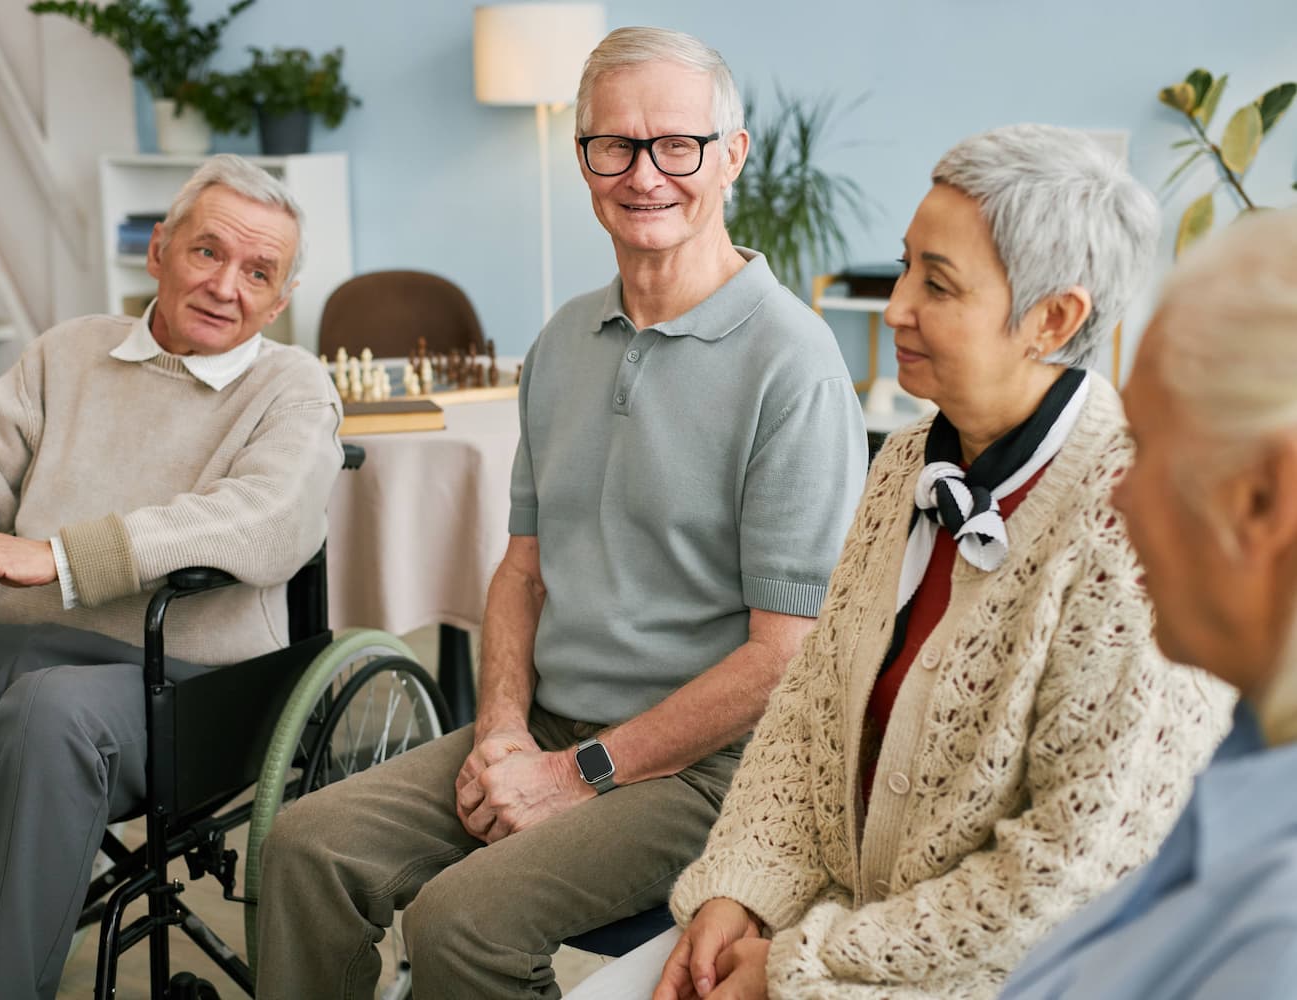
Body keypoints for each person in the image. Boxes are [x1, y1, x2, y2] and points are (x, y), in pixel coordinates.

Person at [254, 26, 866, 1000]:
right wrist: (499, 729)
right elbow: (521, 570)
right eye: (612, 145)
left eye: (676, 144)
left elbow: (783, 655)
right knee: (302, 849)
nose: (643, 173)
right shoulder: (561, 340)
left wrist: (576, 773)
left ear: (732, 155)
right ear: (582, 158)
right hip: (544, 724)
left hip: (705, 775)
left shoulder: (792, 364)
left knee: (460, 926)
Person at [569, 123, 1236, 1000]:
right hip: (838, 922)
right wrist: (740, 891)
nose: (893, 308)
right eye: (905, 266)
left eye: (939, 284)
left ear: (1052, 318)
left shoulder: (1138, 527)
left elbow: (1065, 883)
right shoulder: (908, 461)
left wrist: (798, 968)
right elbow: (808, 712)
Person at [0, 154, 343, 1000]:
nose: (225, 286)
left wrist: (61, 557)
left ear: (278, 302)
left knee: (48, 714)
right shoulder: (68, 352)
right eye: (207, 253)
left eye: (257, 272)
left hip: (189, 687)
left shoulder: (291, 386)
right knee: (40, 698)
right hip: (22, 647)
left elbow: (267, 522)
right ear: (159, 252)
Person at [997, 206, 1297, 999]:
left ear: (1264, 500)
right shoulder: (1244, 772)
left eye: (1149, 445)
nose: (1121, 495)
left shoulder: (1277, 944)